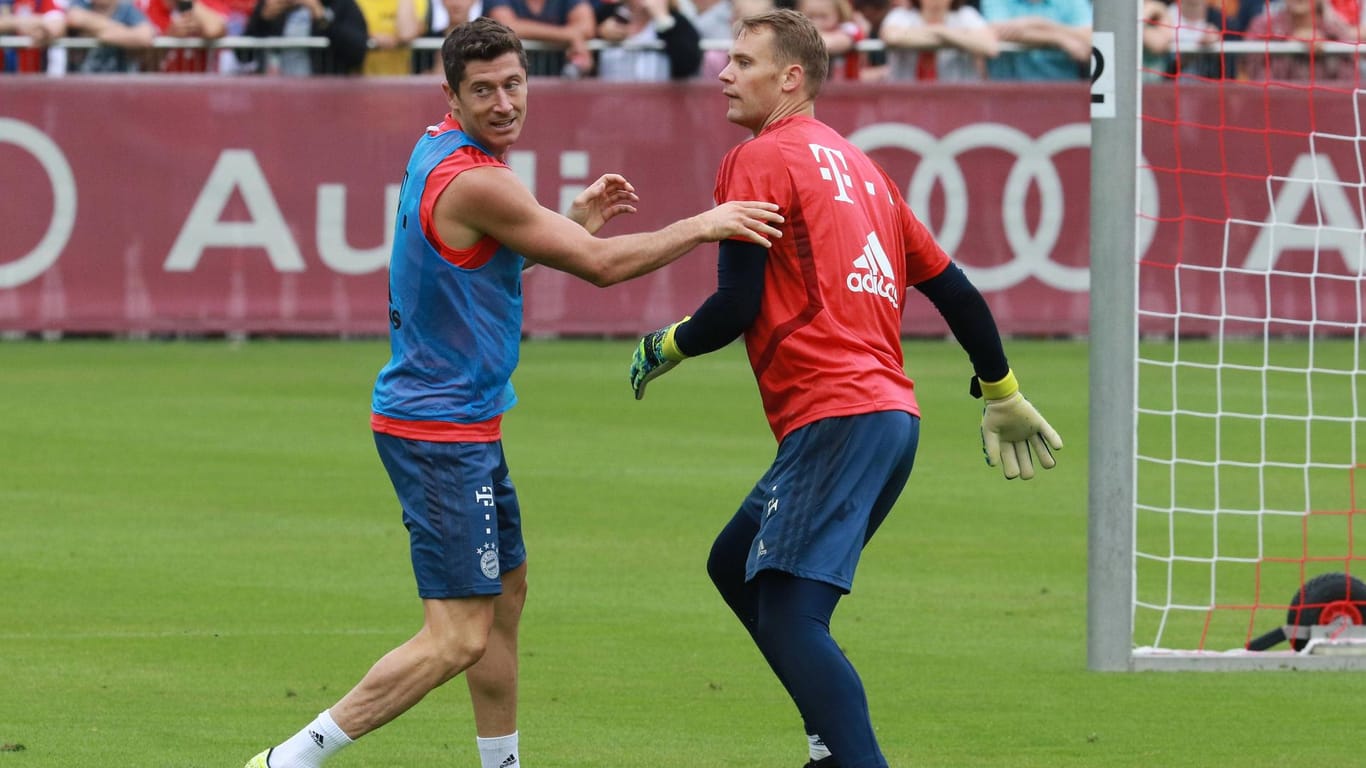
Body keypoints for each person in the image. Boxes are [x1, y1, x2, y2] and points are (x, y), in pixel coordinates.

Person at [240, 17, 782, 768]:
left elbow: (483, 264)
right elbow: (598, 267)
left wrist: (571, 221)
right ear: (452, 97)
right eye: (484, 90)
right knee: (459, 635)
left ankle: (502, 763)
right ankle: (290, 759)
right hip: (438, 432)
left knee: (506, 597)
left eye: (514, 84)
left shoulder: (443, 152)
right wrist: (705, 224)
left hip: (461, 423)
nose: (503, 102)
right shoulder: (477, 178)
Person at [626, 9, 1062, 768]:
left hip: (837, 417)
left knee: (794, 620)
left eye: (741, 61)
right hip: (888, 421)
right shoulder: (863, 168)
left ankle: (849, 758)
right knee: (735, 565)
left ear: (790, 78)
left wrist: (662, 346)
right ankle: (830, 748)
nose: (723, 73)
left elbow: (735, 307)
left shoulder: (755, 158)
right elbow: (955, 290)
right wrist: (1001, 388)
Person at [240, 0, 369, 74]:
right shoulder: (272, 4)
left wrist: (323, 19)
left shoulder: (341, 4)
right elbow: (242, 55)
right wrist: (262, 20)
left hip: (325, 98)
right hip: (276, 98)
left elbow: (357, 52)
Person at [880, 0, 997, 81]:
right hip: (907, 101)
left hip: (957, 101)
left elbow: (990, 46)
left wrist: (942, 32)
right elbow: (892, 37)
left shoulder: (966, 15)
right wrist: (957, 37)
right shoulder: (901, 15)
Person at [1242, 0, 1357, 81]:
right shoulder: (1262, 27)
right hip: (1278, 109)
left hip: (1326, 110)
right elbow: (1256, 78)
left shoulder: (1337, 30)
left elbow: (1348, 83)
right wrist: (1288, 49)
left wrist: (1327, 52)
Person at [979, 0, 1091, 80]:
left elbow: (1089, 35)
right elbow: (997, 31)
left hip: (1061, 96)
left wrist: (1040, 23)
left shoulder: (1073, 2)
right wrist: (1059, 39)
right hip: (1008, 96)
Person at [594, 0, 703, 80]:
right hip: (611, 103)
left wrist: (664, 21)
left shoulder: (676, 22)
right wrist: (599, 33)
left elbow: (689, 65)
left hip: (659, 104)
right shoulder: (606, 14)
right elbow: (587, 65)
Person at [483, 0, 596, 76]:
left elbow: (587, 27)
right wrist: (570, 36)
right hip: (507, 82)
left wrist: (571, 35)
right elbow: (505, 26)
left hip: (560, 81)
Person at [795, 0, 863, 80]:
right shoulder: (796, 31)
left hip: (845, 88)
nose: (816, 22)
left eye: (823, 16)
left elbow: (832, 43)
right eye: (810, 16)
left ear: (839, 13)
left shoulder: (848, 28)